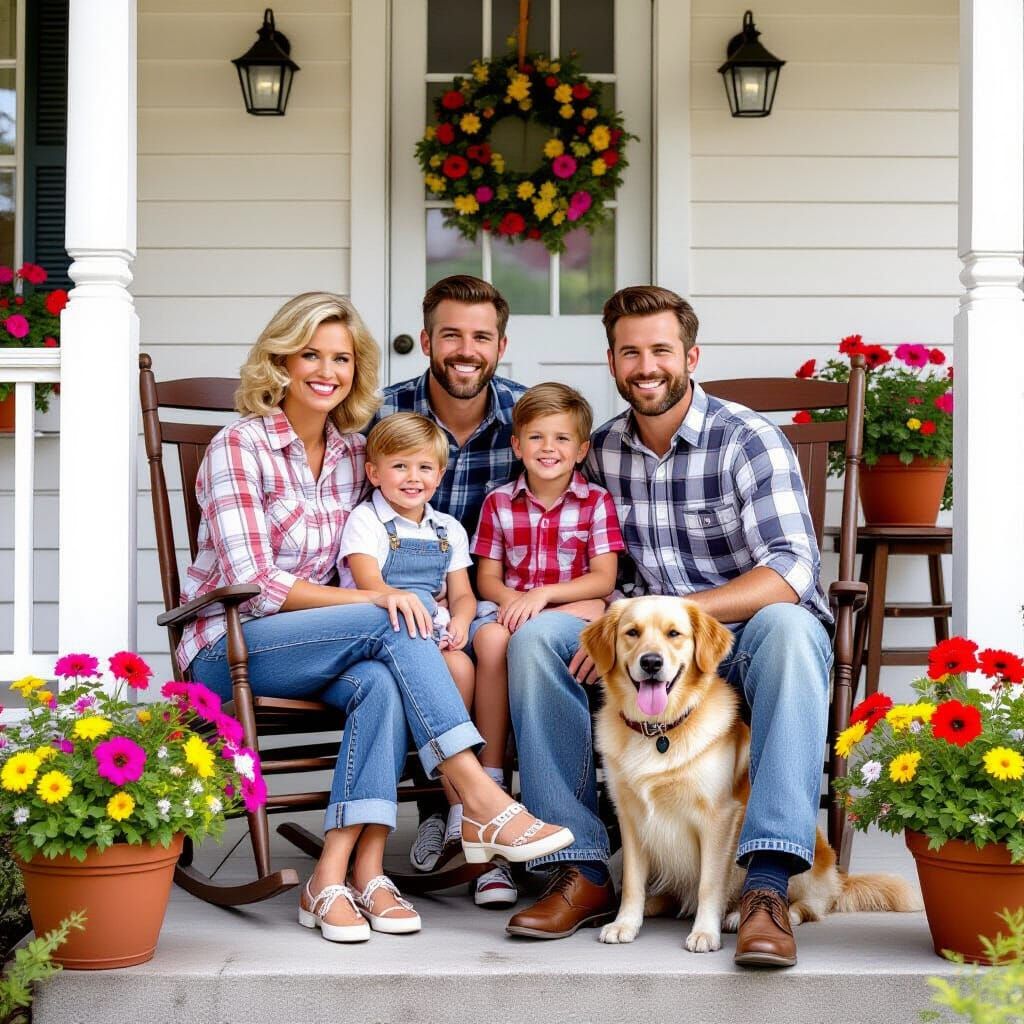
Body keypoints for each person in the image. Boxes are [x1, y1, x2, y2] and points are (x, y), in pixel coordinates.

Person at [180, 292, 573, 944]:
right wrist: (378, 601)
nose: (325, 370)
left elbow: (371, 548)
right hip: (230, 648)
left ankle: (344, 870)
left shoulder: (350, 455)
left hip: (325, 647)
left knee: (386, 678)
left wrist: (406, 598)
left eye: (340, 356)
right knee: (398, 617)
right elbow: (257, 586)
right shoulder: (238, 446)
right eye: (310, 353)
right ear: (280, 358)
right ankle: (476, 795)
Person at [506, 286, 833, 969]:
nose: (646, 365)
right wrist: (611, 629)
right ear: (613, 361)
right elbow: (590, 565)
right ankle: (583, 868)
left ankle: (767, 887)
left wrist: (674, 625)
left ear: (691, 354)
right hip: (642, 644)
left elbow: (791, 570)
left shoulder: (746, 439)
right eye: (631, 352)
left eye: (661, 350)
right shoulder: (595, 454)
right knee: (538, 642)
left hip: (742, 646)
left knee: (791, 629)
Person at [370, 275, 527, 890]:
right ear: (428, 338)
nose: (466, 350)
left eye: (481, 337)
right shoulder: (382, 415)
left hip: (490, 595)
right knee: (420, 651)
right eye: (452, 334)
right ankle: (443, 807)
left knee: (496, 645)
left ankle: (490, 805)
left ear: (501, 344)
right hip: (395, 594)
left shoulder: (525, 418)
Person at [339, 412, 512, 906]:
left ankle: (460, 808)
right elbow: (371, 585)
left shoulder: (447, 528)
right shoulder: (367, 520)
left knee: (464, 662)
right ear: (374, 472)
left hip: (433, 630)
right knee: (450, 668)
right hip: (383, 627)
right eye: (399, 467)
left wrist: (459, 622)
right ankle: (466, 806)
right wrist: (426, 618)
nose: (412, 479)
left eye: (424, 468)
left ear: (440, 475)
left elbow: (462, 594)